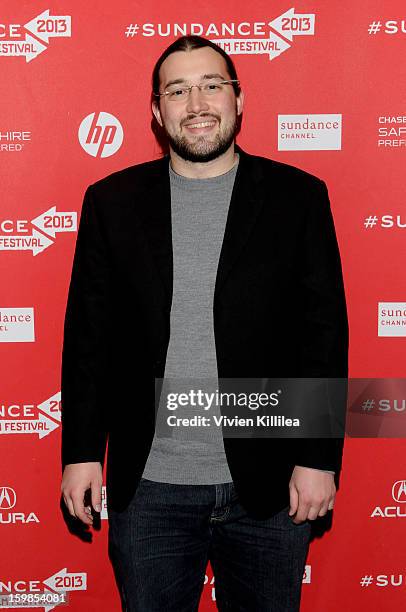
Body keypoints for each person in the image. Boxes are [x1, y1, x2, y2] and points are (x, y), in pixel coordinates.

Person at [60, 35, 349, 611]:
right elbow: (88, 340)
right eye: (178, 90)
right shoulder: (110, 203)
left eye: (212, 86)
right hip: (150, 489)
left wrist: (318, 457)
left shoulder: (299, 198)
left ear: (238, 100)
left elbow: (323, 335)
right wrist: (82, 451)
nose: (196, 103)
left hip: (268, 488)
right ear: (155, 110)